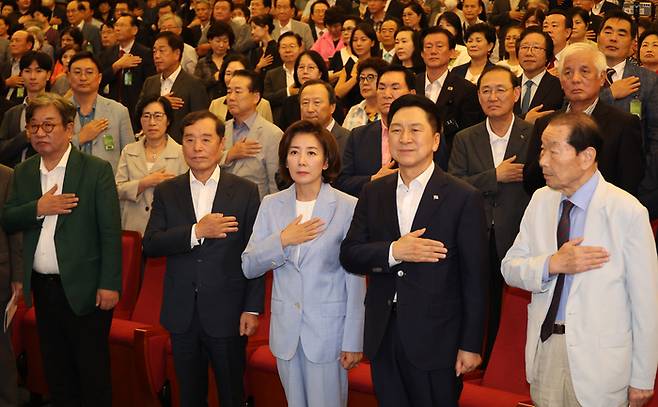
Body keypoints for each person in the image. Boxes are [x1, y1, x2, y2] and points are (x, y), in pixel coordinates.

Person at [340, 94, 488, 407]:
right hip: (383, 334)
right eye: (396, 130)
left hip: (438, 338)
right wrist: (395, 251)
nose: (405, 138)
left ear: (435, 140)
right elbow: (350, 254)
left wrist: (470, 344)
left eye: (415, 130)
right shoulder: (374, 191)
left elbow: (475, 278)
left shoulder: (463, 197)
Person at [502, 112, 658, 407]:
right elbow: (510, 268)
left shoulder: (627, 212)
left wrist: (643, 377)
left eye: (553, 150)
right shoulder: (540, 201)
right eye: (541, 150)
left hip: (600, 361)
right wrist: (551, 264)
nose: (543, 161)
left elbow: (646, 303)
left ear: (586, 156)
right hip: (546, 347)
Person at [3, 93, 122, 407]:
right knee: (56, 370)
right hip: (43, 287)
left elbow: (110, 231)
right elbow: (8, 217)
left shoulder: (95, 170)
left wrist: (109, 283)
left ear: (69, 129)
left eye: (48, 125)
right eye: (34, 126)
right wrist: (38, 208)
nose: (40, 133)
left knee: (92, 372)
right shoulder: (25, 171)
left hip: (87, 287)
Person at [143, 110, 264, 407]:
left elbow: (255, 254)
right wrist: (197, 231)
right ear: (181, 145)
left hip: (228, 312)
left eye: (206, 139)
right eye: (189, 140)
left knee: (230, 393)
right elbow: (151, 244)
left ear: (221, 144)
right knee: (190, 395)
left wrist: (252, 308)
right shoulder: (168, 191)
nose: (197, 147)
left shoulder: (245, 191)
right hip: (181, 312)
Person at [242, 119, 365, 407]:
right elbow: (249, 264)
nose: (301, 160)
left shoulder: (348, 206)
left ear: (325, 161)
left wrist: (353, 339)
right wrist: (282, 240)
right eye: (294, 152)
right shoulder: (272, 204)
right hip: (286, 331)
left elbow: (355, 279)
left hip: (328, 332)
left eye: (311, 153)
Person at [448, 65, 533, 364]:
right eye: (485, 90)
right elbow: (454, 185)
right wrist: (494, 176)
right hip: (475, 232)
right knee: (473, 298)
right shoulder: (464, 138)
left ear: (516, 93)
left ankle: (501, 363)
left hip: (518, 232)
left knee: (508, 306)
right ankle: (470, 355)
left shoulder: (532, 134)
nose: (493, 96)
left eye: (500, 90)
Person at [523, 42, 645, 196]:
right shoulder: (546, 123)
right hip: (555, 211)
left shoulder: (623, 124)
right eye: (567, 73)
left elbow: (629, 183)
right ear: (561, 81)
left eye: (584, 71)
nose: (575, 79)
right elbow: (530, 182)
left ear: (601, 78)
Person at [336, 65, 415, 197]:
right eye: (382, 88)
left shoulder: (426, 135)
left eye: (395, 88)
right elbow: (341, 182)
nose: (387, 94)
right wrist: (373, 179)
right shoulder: (358, 136)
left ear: (412, 94)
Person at [115, 95, 187, 235]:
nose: (152, 122)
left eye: (158, 116)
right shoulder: (129, 151)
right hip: (132, 228)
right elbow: (117, 190)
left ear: (168, 120)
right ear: (140, 120)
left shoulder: (181, 153)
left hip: (167, 227)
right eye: (146, 116)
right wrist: (144, 183)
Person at [415, 27, 484, 170]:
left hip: (450, 162)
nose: (433, 51)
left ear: (453, 53)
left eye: (439, 46)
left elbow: (468, 134)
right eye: (428, 47)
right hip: (413, 157)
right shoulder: (412, 84)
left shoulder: (466, 89)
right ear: (421, 53)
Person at [596, 10, 658, 154]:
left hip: (631, 167)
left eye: (621, 34)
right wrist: (609, 94)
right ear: (598, 38)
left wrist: (648, 174)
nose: (613, 38)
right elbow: (572, 114)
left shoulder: (649, 80)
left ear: (632, 43)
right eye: (608, 32)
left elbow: (654, 135)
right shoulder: (580, 74)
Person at [137, 31, 210, 143]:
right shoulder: (150, 82)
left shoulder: (194, 84)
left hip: (181, 148)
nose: (156, 56)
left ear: (176, 54)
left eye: (162, 51)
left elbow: (200, 121)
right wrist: (161, 102)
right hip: (152, 145)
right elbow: (138, 113)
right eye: (154, 51)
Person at [68, 51, 135, 173]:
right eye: (77, 72)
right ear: (68, 77)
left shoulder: (119, 111)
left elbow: (130, 156)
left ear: (99, 78)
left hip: (108, 184)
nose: (83, 77)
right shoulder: (58, 111)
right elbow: (51, 150)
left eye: (89, 72)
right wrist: (80, 138)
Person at [221, 70, 283, 198]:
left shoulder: (273, 134)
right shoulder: (221, 130)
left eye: (238, 92)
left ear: (255, 97)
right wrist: (229, 155)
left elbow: (274, 184)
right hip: (222, 208)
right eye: (228, 92)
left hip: (256, 209)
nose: (231, 98)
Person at [100, 14, 156, 130]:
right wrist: (116, 66)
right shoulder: (108, 53)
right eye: (116, 25)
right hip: (111, 109)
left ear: (134, 30)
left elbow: (150, 84)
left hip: (135, 110)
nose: (117, 28)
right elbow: (99, 80)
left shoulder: (145, 53)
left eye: (122, 25)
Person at [0, 51, 51, 168]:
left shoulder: (58, 110)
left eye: (39, 71)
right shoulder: (12, 113)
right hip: (15, 175)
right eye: (27, 71)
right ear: (21, 74)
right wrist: (24, 137)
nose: (33, 77)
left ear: (48, 75)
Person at [0, 163, 21, 407]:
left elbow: (15, 232)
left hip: (1, 273)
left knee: (1, 348)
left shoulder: (7, 176)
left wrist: (18, 276)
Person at [514, 27, 565, 123]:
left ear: (547, 55)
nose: (529, 53)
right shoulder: (510, 85)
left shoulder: (559, 86)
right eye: (524, 47)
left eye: (536, 48)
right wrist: (525, 120)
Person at [209, 55, 274, 123]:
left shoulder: (263, 104)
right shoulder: (215, 104)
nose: (233, 78)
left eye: (239, 73)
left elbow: (268, 130)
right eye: (228, 73)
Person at [299, 79, 350, 154]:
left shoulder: (348, 140)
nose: (310, 109)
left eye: (317, 102)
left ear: (332, 107)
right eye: (305, 103)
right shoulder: (294, 138)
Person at [264, 32, 303, 125]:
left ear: (300, 48)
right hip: (280, 122)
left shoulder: (307, 71)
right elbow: (266, 99)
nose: (288, 50)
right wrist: (288, 92)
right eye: (284, 47)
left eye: (292, 46)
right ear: (278, 50)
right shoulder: (271, 74)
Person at [342, 57, 387, 130]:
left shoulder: (389, 111)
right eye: (362, 78)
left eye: (370, 77)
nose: (365, 82)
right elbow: (345, 139)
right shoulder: (354, 110)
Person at [194, 21, 235, 100]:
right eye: (218, 41)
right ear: (210, 40)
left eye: (225, 41)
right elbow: (196, 87)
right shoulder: (202, 62)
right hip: (208, 105)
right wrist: (213, 79)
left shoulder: (236, 60)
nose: (221, 45)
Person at [2, 30, 34, 104]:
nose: (13, 44)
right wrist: (6, 83)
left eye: (17, 41)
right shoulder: (5, 65)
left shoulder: (34, 65)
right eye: (12, 41)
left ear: (29, 45)